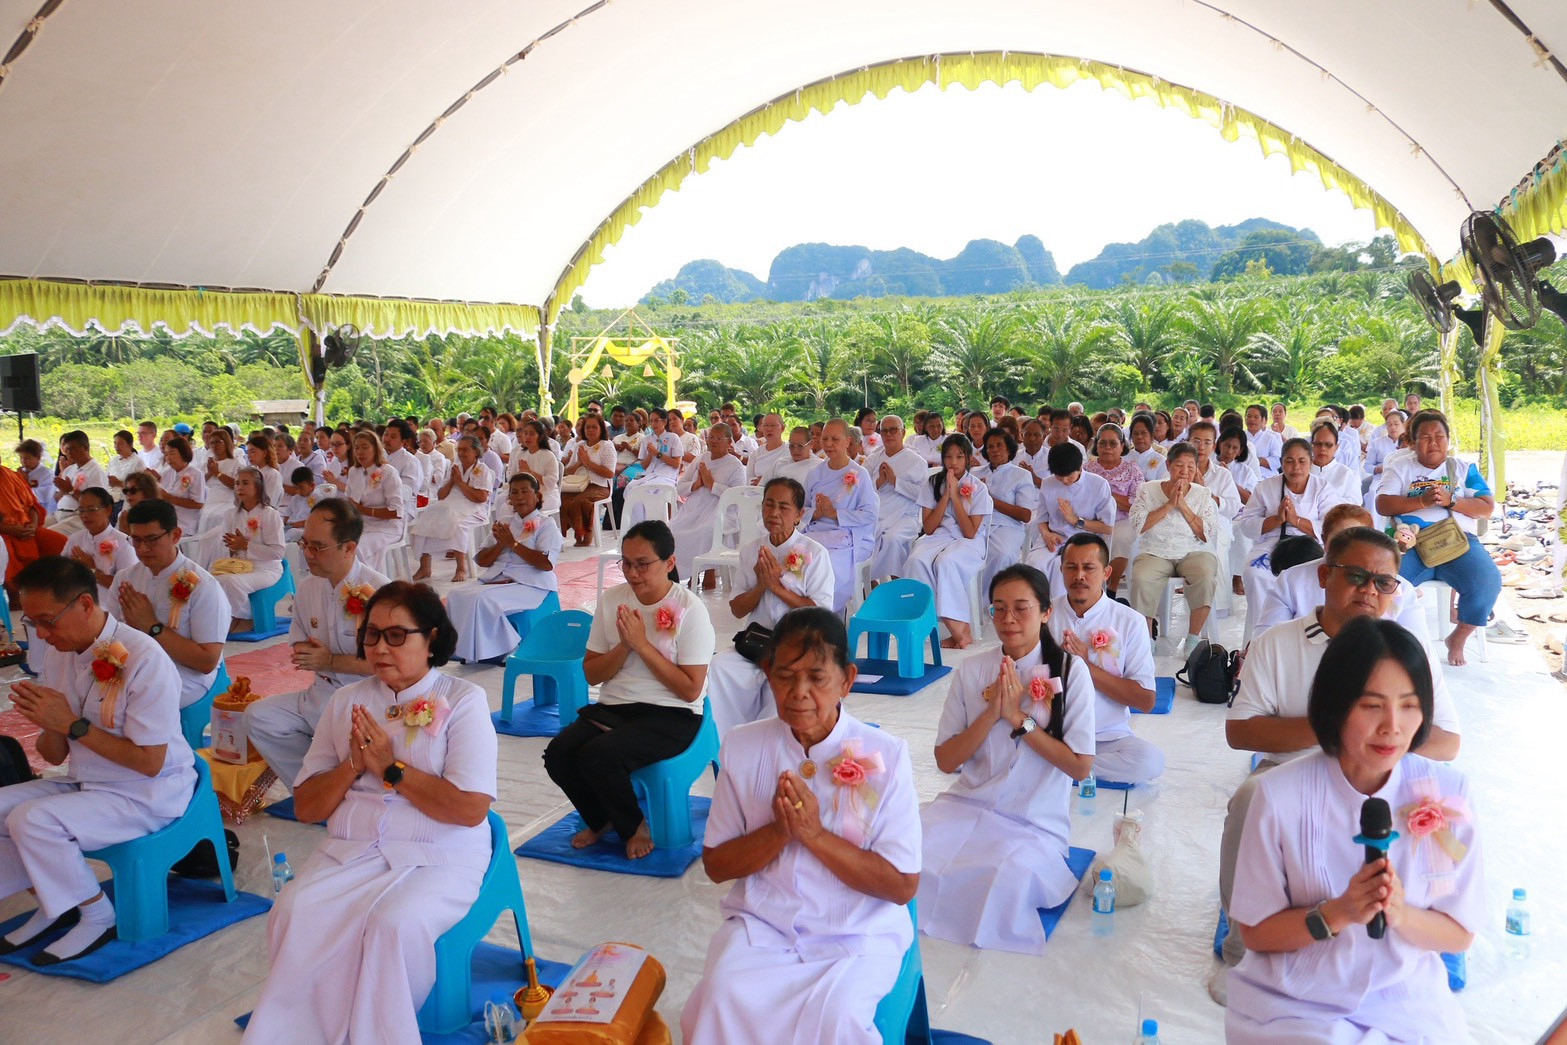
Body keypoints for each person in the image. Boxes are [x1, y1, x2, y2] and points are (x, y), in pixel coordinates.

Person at [244, 582, 497, 1045]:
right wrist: (353, 766)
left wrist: (391, 768)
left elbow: (469, 809)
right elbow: (306, 807)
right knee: (294, 910)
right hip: (354, 847)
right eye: (372, 635)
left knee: (391, 926)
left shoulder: (462, 700)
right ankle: (303, 1032)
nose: (380, 647)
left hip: (439, 852)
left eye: (397, 635)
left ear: (432, 639)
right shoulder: (346, 702)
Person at [1216, 527, 1461, 973]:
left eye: (1383, 582)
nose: (1370, 590)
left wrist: (1379, 741)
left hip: (1384, 775)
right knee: (1251, 798)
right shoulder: (1276, 643)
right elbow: (1241, 732)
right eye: (1356, 576)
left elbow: (1448, 741)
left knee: (1445, 809)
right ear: (1325, 576)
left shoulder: (1408, 653)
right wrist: (1335, 728)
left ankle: (1413, 936)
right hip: (1291, 773)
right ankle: (1245, 948)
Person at [1225, 617, 1481, 1042]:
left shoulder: (1448, 794)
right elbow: (1256, 932)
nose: (1393, 726)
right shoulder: (1276, 795)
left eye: (1410, 705)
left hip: (1407, 1002)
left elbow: (1459, 933)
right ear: (1334, 705)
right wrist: (1337, 912)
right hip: (1296, 1003)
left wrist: (1399, 913)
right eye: (1371, 705)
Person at [682, 608, 919, 1044]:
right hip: (764, 926)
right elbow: (717, 865)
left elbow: (903, 885)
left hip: (857, 933)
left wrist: (813, 834)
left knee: (838, 1018)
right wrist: (781, 830)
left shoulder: (885, 755)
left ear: (847, 680)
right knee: (720, 997)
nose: (799, 693)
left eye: (817, 678)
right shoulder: (743, 745)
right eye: (786, 676)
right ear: (768, 674)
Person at [0, 557, 194, 965]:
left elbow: (149, 763)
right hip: (88, 782)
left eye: (48, 620)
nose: (44, 634)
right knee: (4, 809)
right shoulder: (59, 653)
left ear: (86, 604)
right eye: (33, 623)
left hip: (148, 792)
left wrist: (70, 724)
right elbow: (53, 755)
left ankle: (98, 915)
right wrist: (48, 722)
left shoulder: (144, 658)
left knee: (32, 820)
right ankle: (60, 903)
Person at [917, 564, 1093, 955]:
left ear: (1047, 612)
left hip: (1033, 821)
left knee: (1002, 879)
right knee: (907, 851)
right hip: (967, 804)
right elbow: (946, 760)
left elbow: (1080, 767)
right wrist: (991, 712)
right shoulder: (973, 670)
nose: (1007, 619)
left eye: (1021, 608)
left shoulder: (1070, 671)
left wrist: (1018, 718)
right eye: (998, 609)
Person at [544, 521, 714, 860]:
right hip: (616, 707)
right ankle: (603, 818)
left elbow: (691, 690)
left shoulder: (690, 609)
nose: (632, 573)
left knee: (599, 755)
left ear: (669, 563)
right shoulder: (612, 600)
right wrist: (624, 646)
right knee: (559, 754)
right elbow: (592, 675)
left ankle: (635, 825)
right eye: (626, 562)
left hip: (673, 713)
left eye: (642, 564)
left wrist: (643, 645)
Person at [244, 500, 389, 791]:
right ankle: (316, 787)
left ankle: (350, 789)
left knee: (347, 731)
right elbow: (302, 648)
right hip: (320, 692)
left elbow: (390, 666)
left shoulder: (380, 592)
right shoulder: (309, 587)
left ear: (349, 548)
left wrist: (331, 661)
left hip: (369, 701)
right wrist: (314, 657)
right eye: (305, 544)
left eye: (318, 547)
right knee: (259, 717)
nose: (308, 554)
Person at [706, 478, 834, 737]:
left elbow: (821, 615)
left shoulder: (815, 553)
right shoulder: (752, 550)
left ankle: (770, 744)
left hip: (801, 645)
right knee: (720, 667)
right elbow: (737, 609)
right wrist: (761, 586)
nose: (774, 513)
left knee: (784, 679)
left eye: (784, 507)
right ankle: (728, 741)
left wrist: (777, 587)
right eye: (769, 505)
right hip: (758, 642)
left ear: (799, 515)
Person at [1374, 410, 1500, 667]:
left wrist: (1452, 500)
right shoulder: (1399, 467)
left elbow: (1486, 506)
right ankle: (1387, 646)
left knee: (1487, 581)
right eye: (1425, 437)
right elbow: (1383, 504)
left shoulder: (1463, 469)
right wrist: (1420, 501)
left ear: (1448, 439)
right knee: (1384, 586)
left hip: (1457, 543)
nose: (1433, 442)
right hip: (1411, 544)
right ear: (1412, 440)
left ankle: (1460, 637)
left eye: (1439, 436)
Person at [1049, 534, 1163, 784]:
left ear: (1106, 573)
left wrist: (1084, 665)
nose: (1079, 576)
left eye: (1089, 568)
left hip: (1104, 739)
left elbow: (1146, 701)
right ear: (1061, 570)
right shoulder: (1043, 614)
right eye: (1071, 567)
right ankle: (1061, 765)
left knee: (1149, 761)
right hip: (1050, 736)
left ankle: (1052, 769)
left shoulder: (1129, 621)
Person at [106, 499, 229, 710]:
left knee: (133, 701)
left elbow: (207, 661)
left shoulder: (202, 585)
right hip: (134, 665)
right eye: (136, 540)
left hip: (187, 674)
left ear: (175, 535)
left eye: (152, 539)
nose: (143, 549)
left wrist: (152, 627)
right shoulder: (126, 578)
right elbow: (109, 633)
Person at [1254, 505, 1427, 642]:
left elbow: (1417, 651)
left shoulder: (1400, 588)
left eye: (1359, 539)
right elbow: (1266, 640)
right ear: (1323, 576)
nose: (1368, 590)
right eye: (1340, 539)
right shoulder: (1291, 580)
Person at [446, 474, 562, 663]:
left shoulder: (547, 525)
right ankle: (463, 648)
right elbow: (482, 561)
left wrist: (513, 544)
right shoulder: (504, 523)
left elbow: (546, 564)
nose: (519, 497)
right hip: (496, 578)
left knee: (481, 599)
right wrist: (501, 545)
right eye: (514, 492)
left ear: (537, 496)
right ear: (509, 499)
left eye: (525, 491)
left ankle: (506, 646)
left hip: (530, 583)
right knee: (455, 595)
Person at [903, 434, 993, 649]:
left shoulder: (978, 488)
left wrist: (956, 498)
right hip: (939, 536)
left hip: (968, 541)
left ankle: (959, 629)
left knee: (946, 562)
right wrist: (945, 496)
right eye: (949, 457)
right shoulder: (933, 482)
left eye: (959, 457)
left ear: (968, 459)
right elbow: (929, 528)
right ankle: (926, 623)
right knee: (916, 560)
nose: (953, 462)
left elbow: (970, 532)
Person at [1127, 442, 1219, 650]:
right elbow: (1138, 525)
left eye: (1190, 467)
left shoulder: (1203, 493)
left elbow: (1206, 533)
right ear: (1168, 465)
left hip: (1194, 550)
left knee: (1205, 576)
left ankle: (1193, 638)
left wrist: (1183, 506)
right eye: (1179, 466)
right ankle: (1147, 638)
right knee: (1142, 578)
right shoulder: (1147, 489)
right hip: (1155, 550)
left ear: (1196, 469)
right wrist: (1169, 504)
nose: (1184, 472)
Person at [1238, 437, 1345, 599]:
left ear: (1311, 462)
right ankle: (1264, 623)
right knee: (1255, 572)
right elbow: (1246, 524)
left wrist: (1297, 521)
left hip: (1310, 546)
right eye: (1289, 461)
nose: (1296, 467)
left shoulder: (1323, 488)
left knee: (1319, 576)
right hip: (1271, 545)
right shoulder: (1265, 487)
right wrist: (1276, 520)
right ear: (1281, 462)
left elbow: (1333, 527)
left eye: (1302, 461)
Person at [800, 419, 877, 614]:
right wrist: (816, 513)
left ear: (847, 441)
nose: (828, 444)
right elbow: (801, 511)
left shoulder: (860, 474)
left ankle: (824, 616)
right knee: (796, 563)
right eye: (825, 438)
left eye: (835, 439)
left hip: (849, 537)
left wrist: (835, 514)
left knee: (828, 566)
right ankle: (798, 614)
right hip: (816, 534)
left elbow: (869, 515)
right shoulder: (814, 473)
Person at [194, 467, 286, 630]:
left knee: (229, 582)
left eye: (245, 483)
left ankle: (245, 618)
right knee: (211, 580)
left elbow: (278, 552)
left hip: (266, 568)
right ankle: (225, 617)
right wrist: (232, 547)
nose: (240, 487)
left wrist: (246, 545)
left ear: (257, 486)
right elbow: (225, 546)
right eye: (237, 483)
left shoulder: (270, 514)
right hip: (238, 566)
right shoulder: (230, 514)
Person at [670, 423, 747, 582]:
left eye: (719, 438)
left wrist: (712, 484)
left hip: (721, 512)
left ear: (729, 442)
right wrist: (696, 484)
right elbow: (680, 487)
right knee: (672, 529)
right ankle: (692, 572)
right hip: (693, 510)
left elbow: (737, 498)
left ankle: (708, 570)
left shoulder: (735, 465)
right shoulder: (700, 459)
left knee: (707, 529)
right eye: (711, 437)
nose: (714, 441)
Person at [409, 435, 491, 582]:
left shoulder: (482, 469)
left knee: (458, 524)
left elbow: (481, 498)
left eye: (465, 450)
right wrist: (452, 481)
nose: (461, 453)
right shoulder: (455, 467)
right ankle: (425, 567)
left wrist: (459, 482)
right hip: (449, 505)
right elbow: (441, 495)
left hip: (474, 508)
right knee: (423, 521)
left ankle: (461, 568)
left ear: (476, 452)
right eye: (459, 450)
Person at [865, 415, 928, 583]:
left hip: (906, 515)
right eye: (884, 431)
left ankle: (896, 583)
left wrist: (895, 481)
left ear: (903, 432)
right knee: (865, 537)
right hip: (877, 512)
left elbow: (924, 495)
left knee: (892, 538)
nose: (888, 434)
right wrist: (879, 481)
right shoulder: (873, 459)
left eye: (893, 430)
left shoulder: (917, 461)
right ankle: (870, 585)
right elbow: (861, 490)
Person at [1083, 423, 1144, 593]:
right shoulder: (1087, 469)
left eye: (1113, 443)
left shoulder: (1132, 469)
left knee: (1119, 537)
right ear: (1096, 445)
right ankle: (1089, 589)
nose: (1107, 448)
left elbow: (1138, 504)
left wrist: (1108, 494)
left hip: (1123, 519)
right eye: (1102, 443)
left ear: (1122, 446)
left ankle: (1111, 588)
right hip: (1092, 519)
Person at [980, 428, 1036, 595]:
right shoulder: (976, 473)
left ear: (1009, 449)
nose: (994, 450)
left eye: (999, 445)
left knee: (1001, 554)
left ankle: (993, 600)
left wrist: (990, 499)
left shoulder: (1021, 475)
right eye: (990, 446)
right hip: (977, 525)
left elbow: (1025, 515)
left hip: (1008, 526)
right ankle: (970, 602)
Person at [0, 451, 67, 586]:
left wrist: (34, 525)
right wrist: (9, 529)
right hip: (4, 534)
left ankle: (58, 592)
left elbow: (32, 506)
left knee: (63, 545)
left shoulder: (12, 476)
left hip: (28, 529)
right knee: (11, 570)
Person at [343, 429, 404, 574]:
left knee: (357, 547)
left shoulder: (388, 472)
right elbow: (347, 500)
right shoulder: (353, 471)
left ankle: (366, 585)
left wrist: (363, 510)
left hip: (387, 527)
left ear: (375, 449)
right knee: (338, 544)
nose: (360, 452)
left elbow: (396, 512)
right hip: (361, 525)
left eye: (365, 447)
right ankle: (347, 585)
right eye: (357, 447)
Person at [61, 487, 137, 603]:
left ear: (108, 510)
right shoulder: (75, 539)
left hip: (107, 607)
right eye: (81, 510)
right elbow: (61, 572)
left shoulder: (124, 543)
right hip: (72, 602)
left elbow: (126, 589)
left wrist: (92, 569)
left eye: (91, 509)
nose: (84, 515)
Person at [558, 413, 615, 545]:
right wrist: (580, 462)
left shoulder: (607, 446)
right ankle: (578, 533)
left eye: (594, 427)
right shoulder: (579, 445)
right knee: (563, 499)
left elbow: (610, 473)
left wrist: (588, 462)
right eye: (587, 427)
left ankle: (586, 535)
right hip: (578, 484)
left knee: (580, 501)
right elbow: (568, 471)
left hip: (600, 485)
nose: (590, 430)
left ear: (601, 428)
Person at [156, 435, 206, 537]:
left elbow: (198, 504)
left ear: (183, 453)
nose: (168, 458)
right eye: (166, 454)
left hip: (184, 523)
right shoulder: (167, 472)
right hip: (165, 519)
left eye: (172, 453)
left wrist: (169, 498)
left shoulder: (196, 474)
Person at [1308, 420, 1361, 506]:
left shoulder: (1346, 473)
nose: (1323, 449)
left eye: (1328, 445)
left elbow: (1355, 503)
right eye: (1318, 444)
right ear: (1311, 445)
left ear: (1336, 447)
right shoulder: (1302, 472)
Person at [104, 429, 145, 518]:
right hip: (110, 500)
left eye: (120, 443)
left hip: (126, 502)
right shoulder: (113, 460)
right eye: (115, 443)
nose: (116, 446)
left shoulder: (137, 462)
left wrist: (119, 483)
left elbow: (141, 487)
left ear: (130, 444)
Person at [1127, 412, 1169, 482]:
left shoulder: (1161, 461)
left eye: (1144, 433)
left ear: (1152, 436)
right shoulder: (1124, 458)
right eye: (1136, 433)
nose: (1139, 437)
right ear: (1131, 437)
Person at [1244, 404, 1281, 474]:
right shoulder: (1239, 437)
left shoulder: (1270, 438)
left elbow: (1277, 461)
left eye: (1256, 417)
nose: (1252, 419)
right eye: (1249, 416)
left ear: (1263, 420)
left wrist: (1257, 461)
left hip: (1266, 476)